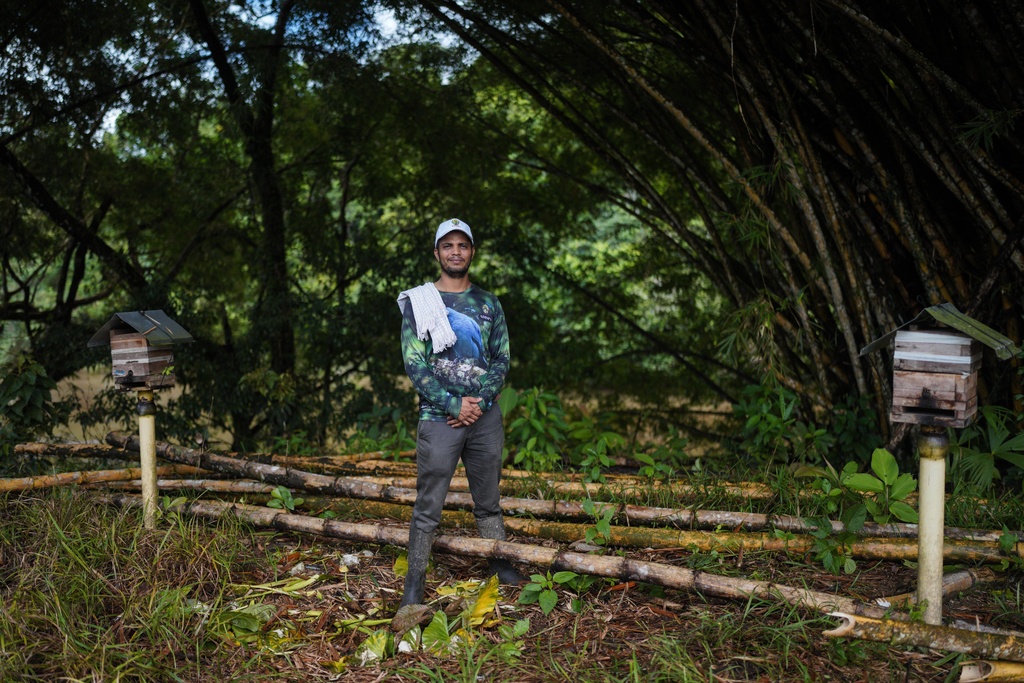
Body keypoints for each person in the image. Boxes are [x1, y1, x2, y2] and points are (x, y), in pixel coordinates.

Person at [395, 218, 526, 608]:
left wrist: (481, 403)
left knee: (488, 500)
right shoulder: (420, 302)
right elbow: (414, 364)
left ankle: (499, 564)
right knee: (428, 506)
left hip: (485, 419)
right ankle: (414, 584)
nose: (455, 251)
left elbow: (502, 358)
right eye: (447, 245)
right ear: (436, 253)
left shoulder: (489, 303)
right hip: (440, 419)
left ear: (472, 252)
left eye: (462, 245)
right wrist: (453, 404)